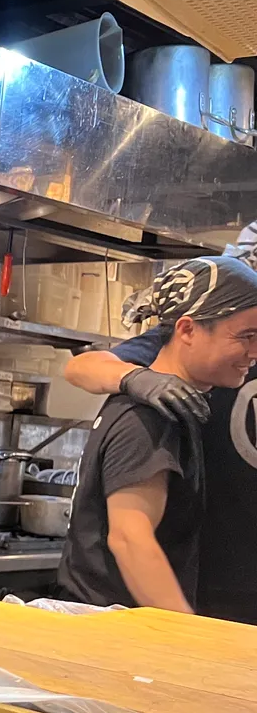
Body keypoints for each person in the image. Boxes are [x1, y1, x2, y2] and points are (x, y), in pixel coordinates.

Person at [64, 243, 257, 622]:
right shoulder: (152, 411)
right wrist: (188, 632)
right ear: (187, 330)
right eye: (248, 337)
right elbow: (130, 538)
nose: (254, 352)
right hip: (149, 615)